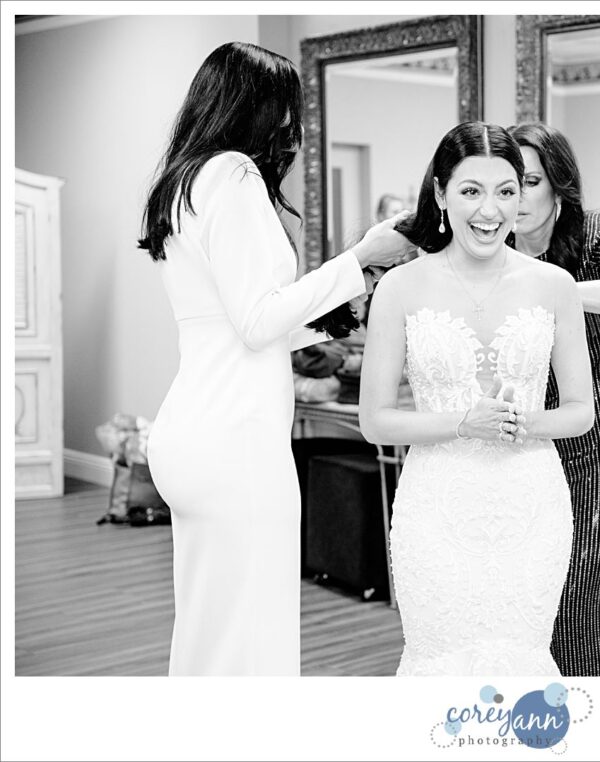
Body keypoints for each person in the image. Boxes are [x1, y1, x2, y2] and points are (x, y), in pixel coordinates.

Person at [138, 42, 414, 676]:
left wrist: (351, 295)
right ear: (255, 107)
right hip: (235, 441)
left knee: (209, 629)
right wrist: (358, 256)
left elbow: (246, 323)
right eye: (286, 109)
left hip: (192, 429)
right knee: (253, 640)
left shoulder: (183, 180)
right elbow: (260, 322)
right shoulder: (232, 174)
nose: (292, 127)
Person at [359, 121, 595, 675]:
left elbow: (581, 411)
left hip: (530, 506)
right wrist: (463, 423)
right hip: (437, 507)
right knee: (441, 663)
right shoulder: (400, 287)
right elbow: (374, 420)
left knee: (521, 663)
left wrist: (525, 423)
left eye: (506, 191)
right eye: (471, 191)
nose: (490, 210)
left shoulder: (555, 285)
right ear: (440, 193)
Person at [508, 122, 600, 677]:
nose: (516, 198)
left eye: (529, 182)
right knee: (532, 592)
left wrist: (553, 289)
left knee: (586, 594)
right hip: (529, 444)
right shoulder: (494, 248)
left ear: (558, 186)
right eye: (508, 184)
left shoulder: (596, 232)